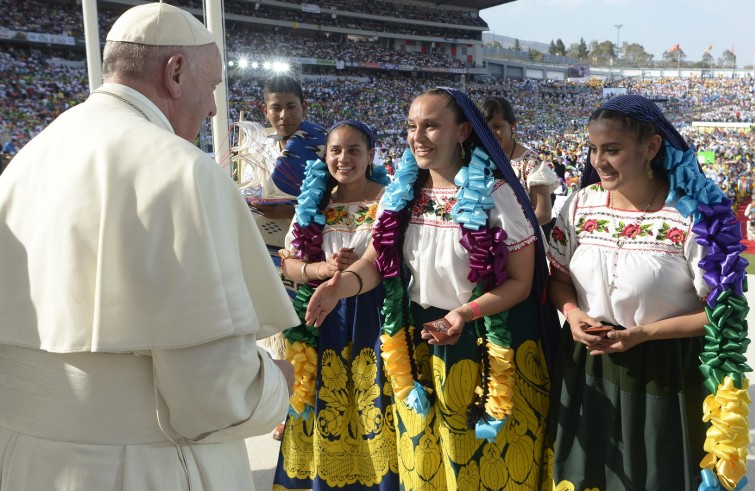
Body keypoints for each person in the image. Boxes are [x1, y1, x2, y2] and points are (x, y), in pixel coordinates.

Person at [0, 3, 299, 490]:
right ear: (176, 72)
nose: (214, 108)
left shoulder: (29, 156)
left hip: (23, 460)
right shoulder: (182, 169)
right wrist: (274, 385)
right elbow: (214, 394)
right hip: (140, 468)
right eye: (213, 86)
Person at [305, 87, 560, 489]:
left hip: (481, 343)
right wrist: (343, 286)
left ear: (462, 131)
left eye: (431, 126)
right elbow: (376, 262)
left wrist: (462, 314)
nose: (417, 137)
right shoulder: (400, 194)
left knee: (479, 465)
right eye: (411, 127)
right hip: (417, 344)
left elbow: (520, 283)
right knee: (424, 463)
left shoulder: (497, 195)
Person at [547, 95, 750, 491]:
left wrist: (640, 334)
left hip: (665, 375)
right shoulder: (580, 206)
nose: (597, 161)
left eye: (613, 149)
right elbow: (558, 278)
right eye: (593, 148)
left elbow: (723, 316)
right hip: (588, 365)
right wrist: (572, 314)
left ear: (651, 147)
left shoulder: (696, 217)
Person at [273, 120, 398, 490]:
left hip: (371, 314)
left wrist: (347, 276)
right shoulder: (313, 203)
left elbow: (384, 259)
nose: (344, 158)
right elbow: (290, 264)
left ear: (371, 155)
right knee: (321, 404)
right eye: (336, 151)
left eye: (354, 150)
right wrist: (322, 268)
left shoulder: (388, 201)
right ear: (324, 156)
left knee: (371, 403)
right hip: (320, 317)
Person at [481, 96, 559, 230]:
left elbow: (543, 214)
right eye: (486, 128)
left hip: (522, 243)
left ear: (513, 125)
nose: (491, 133)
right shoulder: (478, 157)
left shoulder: (530, 163)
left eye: (497, 126)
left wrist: (507, 233)